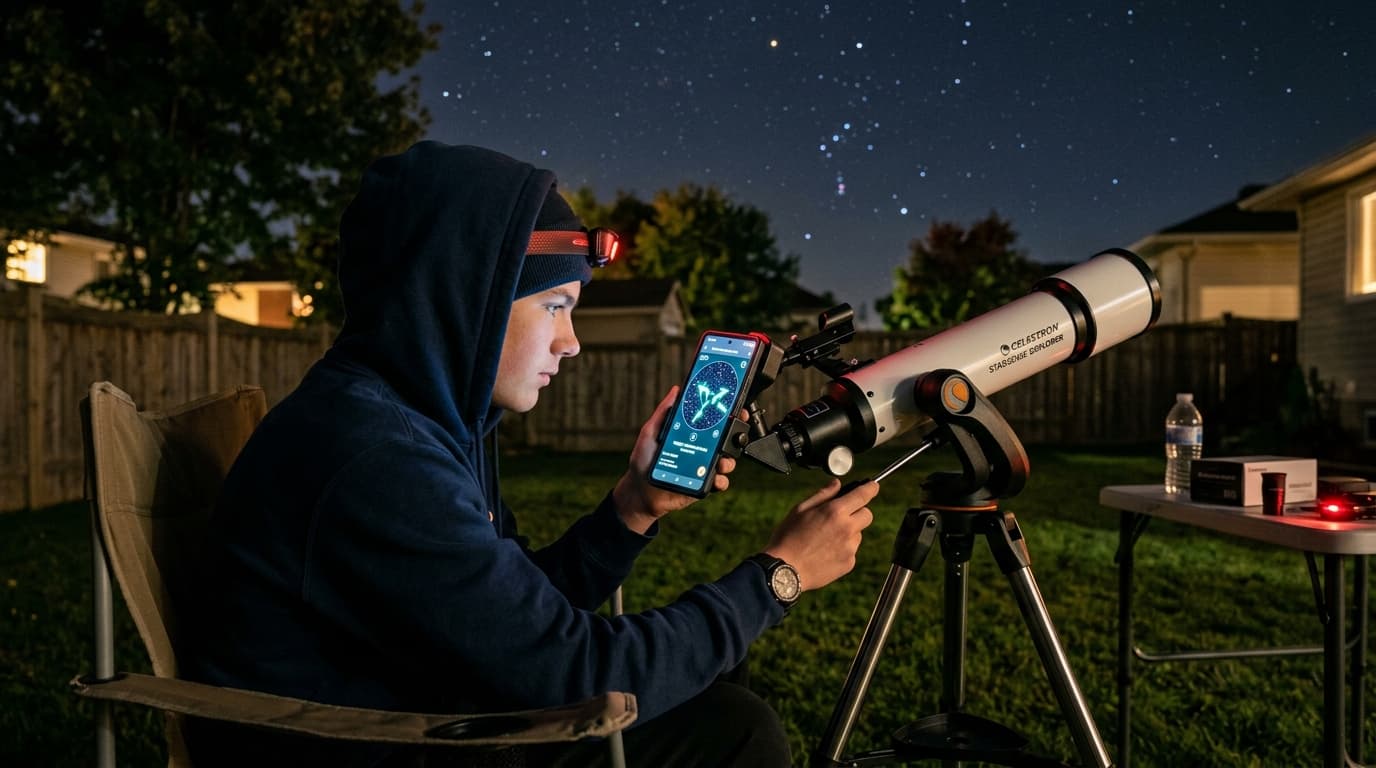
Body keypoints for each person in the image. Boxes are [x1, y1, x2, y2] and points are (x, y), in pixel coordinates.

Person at [182, 140, 879, 767]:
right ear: (464, 299)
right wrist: (777, 577)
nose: (570, 342)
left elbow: (510, 614)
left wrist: (631, 510)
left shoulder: (411, 423)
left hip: (407, 696)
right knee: (734, 729)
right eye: (554, 305)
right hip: (368, 738)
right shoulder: (374, 458)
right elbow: (567, 670)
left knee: (710, 677)